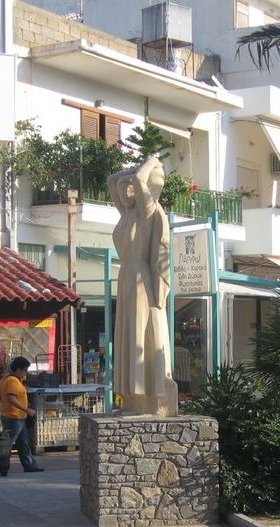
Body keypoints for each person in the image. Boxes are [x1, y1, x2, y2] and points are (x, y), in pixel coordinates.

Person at [107, 156, 178, 416]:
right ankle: (130, 398)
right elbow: (111, 180)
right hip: (126, 276)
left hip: (141, 279)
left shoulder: (148, 211)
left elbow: (138, 180)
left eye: (131, 188)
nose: (124, 191)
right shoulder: (127, 215)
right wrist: (128, 173)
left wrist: (151, 162)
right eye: (123, 188)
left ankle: (144, 399)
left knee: (139, 334)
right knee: (127, 334)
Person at [0, 356, 43, 472]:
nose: (25, 373)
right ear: (18, 369)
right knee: (7, 444)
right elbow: (11, 399)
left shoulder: (6, 379)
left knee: (23, 443)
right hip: (14, 417)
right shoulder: (12, 381)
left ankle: (30, 465)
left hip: (16, 417)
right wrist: (27, 410)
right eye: (24, 370)